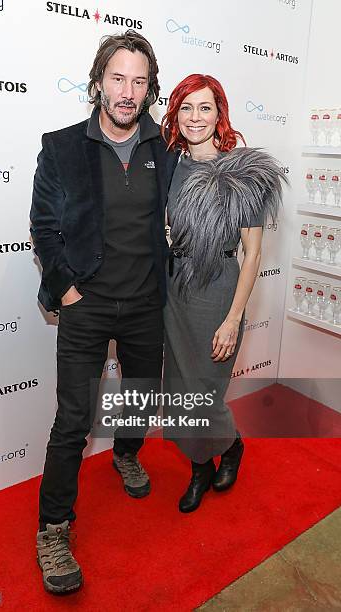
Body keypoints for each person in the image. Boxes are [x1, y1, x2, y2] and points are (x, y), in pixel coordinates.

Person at [30, 30, 178, 593]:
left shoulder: (165, 150)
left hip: (144, 303)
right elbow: (44, 228)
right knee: (72, 420)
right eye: (118, 78)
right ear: (97, 84)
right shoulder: (62, 146)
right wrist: (66, 293)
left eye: (139, 81)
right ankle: (52, 528)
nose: (127, 91)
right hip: (85, 306)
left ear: (149, 90)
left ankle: (127, 453)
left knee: (141, 395)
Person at [160, 74, 287, 513]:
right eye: (187, 107)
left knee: (205, 392)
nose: (195, 117)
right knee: (179, 389)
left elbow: (252, 255)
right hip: (174, 292)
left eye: (205, 107)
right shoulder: (171, 163)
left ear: (220, 115)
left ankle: (217, 457)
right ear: (176, 113)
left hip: (217, 294)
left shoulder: (243, 174)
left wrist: (233, 319)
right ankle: (214, 453)